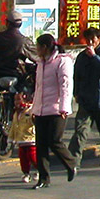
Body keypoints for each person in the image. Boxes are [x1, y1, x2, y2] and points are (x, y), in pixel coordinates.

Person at [31, 34, 77, 189]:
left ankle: (71, 164)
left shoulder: (62, 61)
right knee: (41, 145)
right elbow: (38, 88)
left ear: (45, 47)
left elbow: (66, 86)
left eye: (38, 47)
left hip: (57, 109)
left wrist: (64, 107)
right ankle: (44, 178)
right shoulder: (40, 63)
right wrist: (34, 108)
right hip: (41, 109)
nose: (36, 50)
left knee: (54, 140)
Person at [68, 27, 100, 168]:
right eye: (88, 39)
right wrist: (76, 93)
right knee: (80, 131)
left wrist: (95, 57)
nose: (90, 42)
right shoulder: (82, 57)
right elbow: (76, 76)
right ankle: (73, 160)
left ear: (99, 39)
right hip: (85, 99)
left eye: (93, 39)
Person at [0, 10, 38, 90]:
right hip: (15, 77)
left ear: (7, 23)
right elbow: (38, 57)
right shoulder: (23, 41)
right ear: (20, 25)